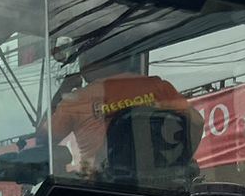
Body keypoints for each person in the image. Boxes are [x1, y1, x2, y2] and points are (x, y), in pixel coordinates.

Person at [48, 52, 203, 177]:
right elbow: (196, 123)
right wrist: (179, 161)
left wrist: (63, 91)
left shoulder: (77, 100)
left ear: (89, 61)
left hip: (101, 188)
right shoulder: (159, 87)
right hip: (163, 185)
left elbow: (45, 141)